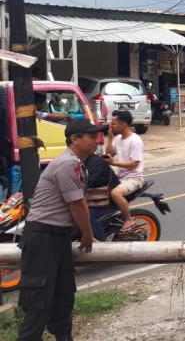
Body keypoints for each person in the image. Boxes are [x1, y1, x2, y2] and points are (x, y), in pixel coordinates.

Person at [17, 118, 99, 340]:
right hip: (43, 238)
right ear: (75, 139)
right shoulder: (66, 164)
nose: (96, 141)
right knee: (39, 305)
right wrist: (88, 234)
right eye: (91, 137)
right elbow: (77, 204)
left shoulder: (78, 165)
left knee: (63, 301)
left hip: (58, 239)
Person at [103, 110, 144, 234]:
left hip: (134, 178)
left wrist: (114, 163)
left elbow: (134, 163)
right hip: (120, 177)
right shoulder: (119, 138)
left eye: (114, 124)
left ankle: (128, 219)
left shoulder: (135, 140)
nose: (111, 126)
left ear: (123, 124)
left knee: (115, 193)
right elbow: (109, 153)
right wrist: (110, 138)